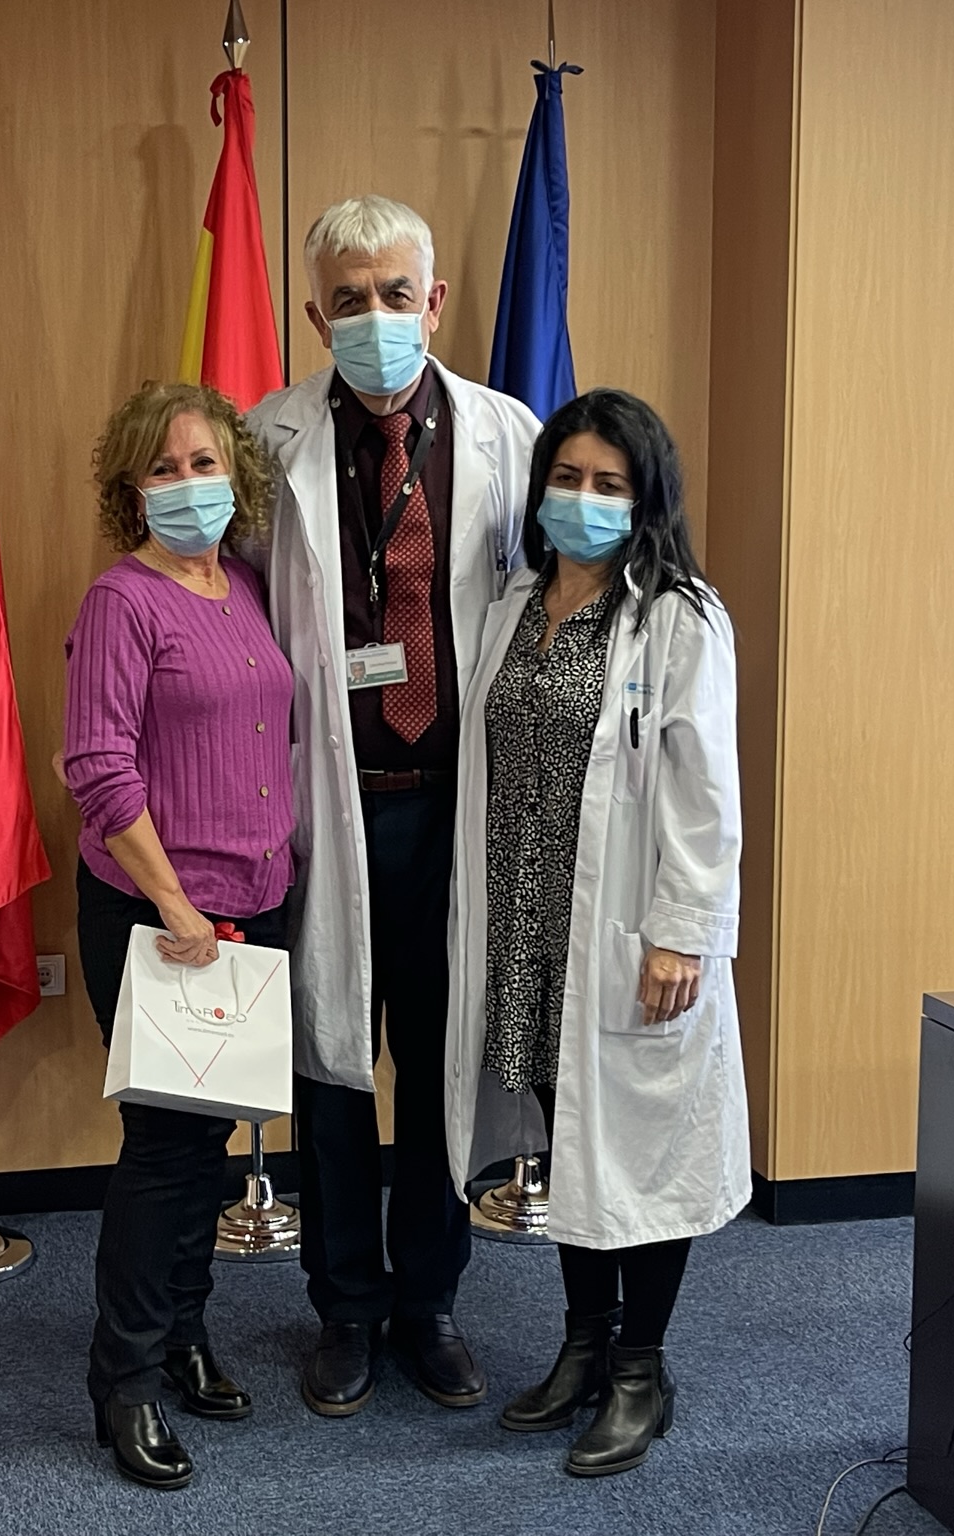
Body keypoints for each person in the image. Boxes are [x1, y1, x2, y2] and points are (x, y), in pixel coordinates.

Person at [245, 195, 540, 1417]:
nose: (374, 316)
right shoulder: (261, 443)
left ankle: (427, 1302)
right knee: (330, 1068)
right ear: (316, 317)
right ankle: (344, 1309)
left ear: (435, 301)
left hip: (448, 808)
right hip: (326, 806)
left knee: (435, 1064)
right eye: (347, 299)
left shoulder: (508, 435)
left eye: (394, 294)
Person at [444, 388, 747, 1478]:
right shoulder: (514, 603)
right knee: (569, 1135)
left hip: (629, 933)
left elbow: (705, 796)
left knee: (643, 1149)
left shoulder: (677, 616)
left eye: (608, 484)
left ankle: (639, 1370)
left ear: (645, 498)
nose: (582, 498)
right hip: (529, 925)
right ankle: (581, 1345)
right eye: (566, 478)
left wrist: (682, 933)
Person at [63, 381, 294, 1491]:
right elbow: (97, 767)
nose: (188, 484)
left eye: (204, 463)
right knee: (163, 1154)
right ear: (132, 488)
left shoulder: (244, 586)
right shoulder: (123, 601)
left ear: (236, 474)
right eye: (164, 467)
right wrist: (174, 904)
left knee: (209, 1146)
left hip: (251, 909)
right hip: (158, 917)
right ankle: (123, 1382)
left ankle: (185, 1336)